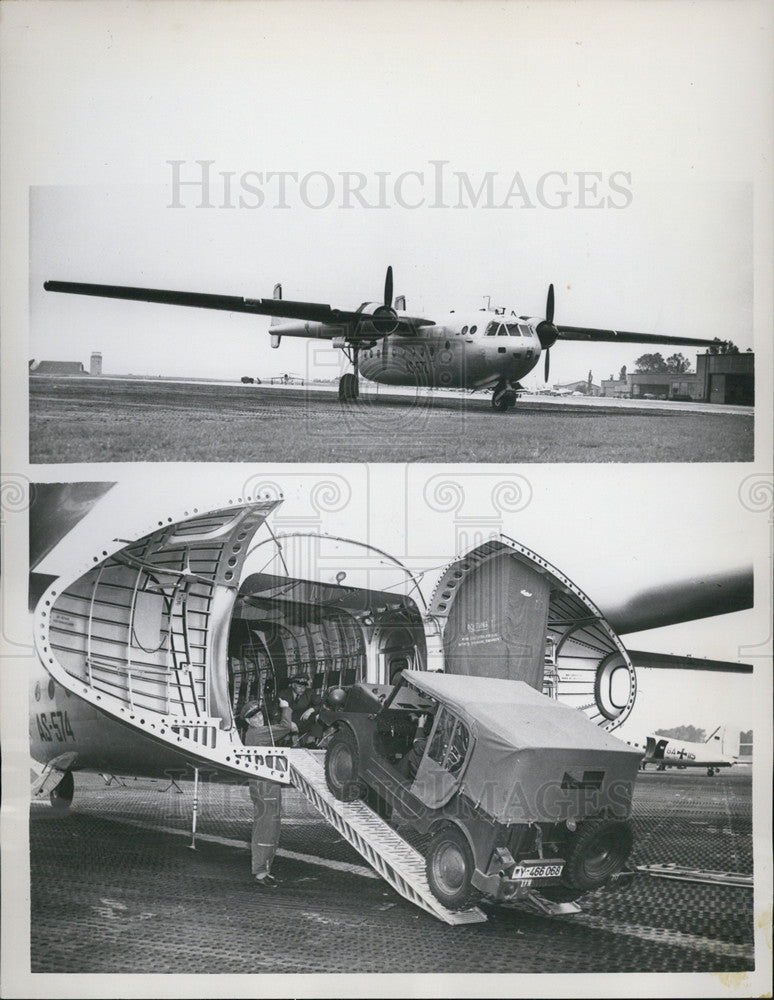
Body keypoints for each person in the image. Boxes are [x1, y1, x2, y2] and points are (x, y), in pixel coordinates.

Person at [239, 696, 293, 888]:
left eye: (259, 713)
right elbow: (286, 726)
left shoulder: (255, 733)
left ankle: (265, 869)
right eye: (253, 716)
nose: (258, 718)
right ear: (247, 721)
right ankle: (260, 872)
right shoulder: (256, 734)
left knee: (271, 826)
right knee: (266, 827)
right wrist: (285, 707)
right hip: (264, 785)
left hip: (267, 783)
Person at [279, 675, 323, 746]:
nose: (302, 689)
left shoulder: (309, 693)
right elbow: (276, 712)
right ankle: (286, 741)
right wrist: (289, 722)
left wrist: (311, 709)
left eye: (304, 687)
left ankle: (311, 741)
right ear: (293, 685)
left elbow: (321, 704)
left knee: (320, 717)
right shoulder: (283, 694)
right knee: (286, 744)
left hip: (302, 721)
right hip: (286, 722)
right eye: (299, 687)